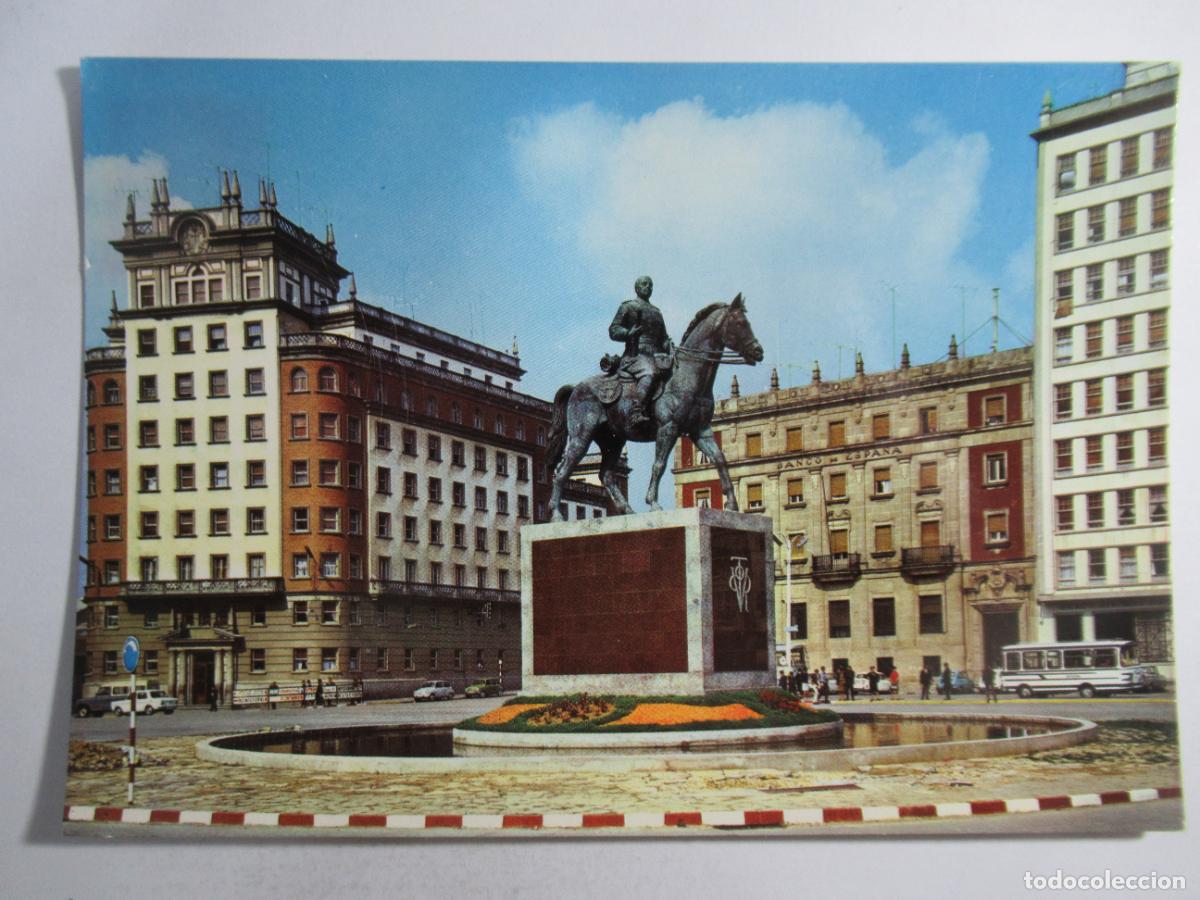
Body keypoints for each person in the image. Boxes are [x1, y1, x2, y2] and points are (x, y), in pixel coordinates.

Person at [608, 275, 673, 428]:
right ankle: (636, 411)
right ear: (636, 288)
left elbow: (663, 337)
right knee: (650, 373)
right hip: (635, 356)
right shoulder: (628, 307)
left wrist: (669, 345)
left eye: (651, 285)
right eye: (644, 284)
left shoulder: (657, 312)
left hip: (656, 356)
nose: (648, 287)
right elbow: (613, 330)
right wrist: (628, 333)